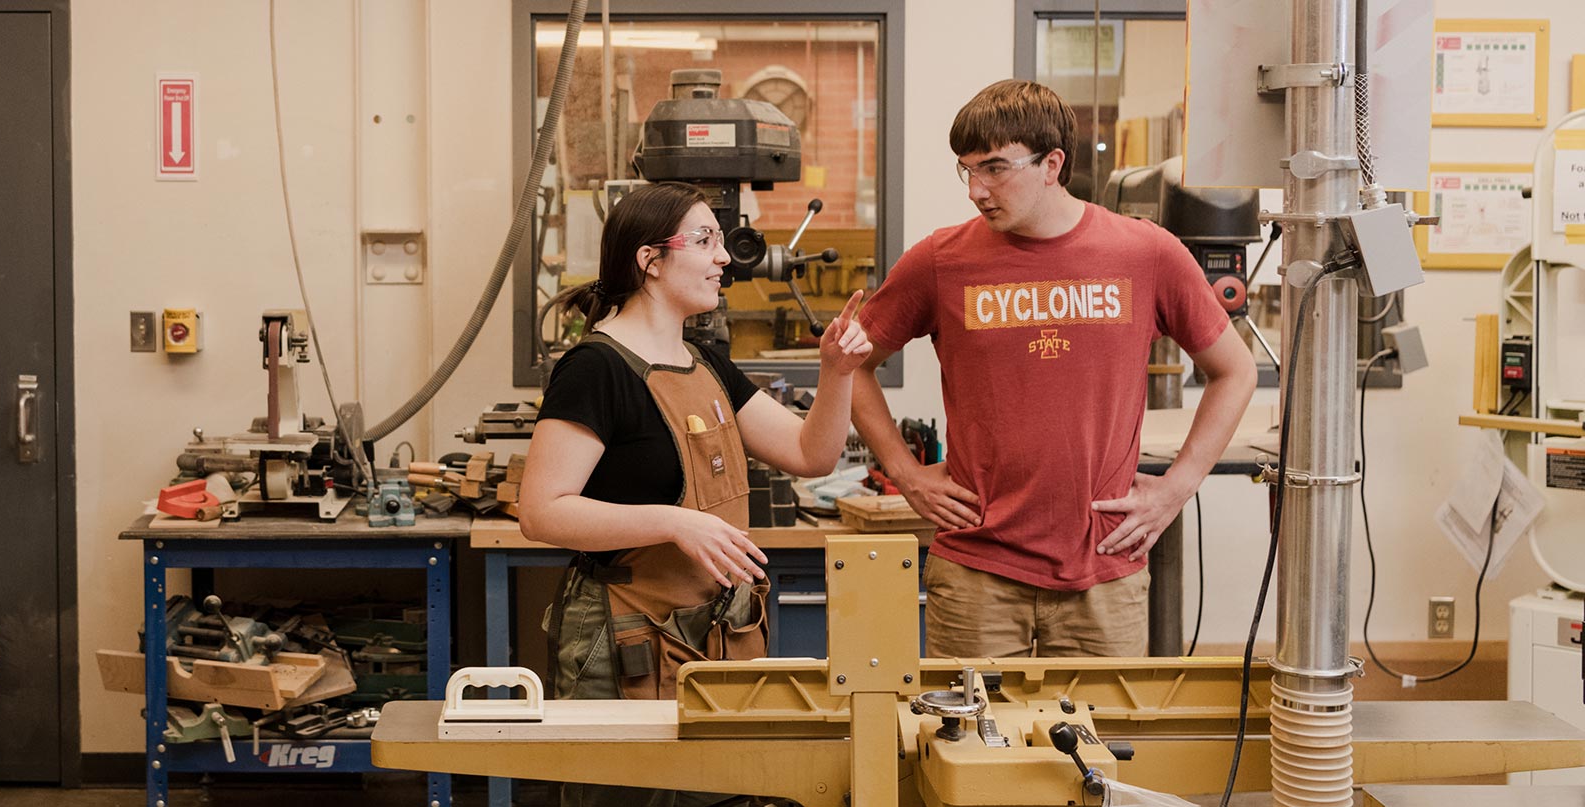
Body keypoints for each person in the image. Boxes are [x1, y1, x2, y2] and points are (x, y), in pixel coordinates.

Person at [847, 80, 1256, 659]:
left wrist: (1177, 488)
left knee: (1096, 745)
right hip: (977, 570)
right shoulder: (940, 261)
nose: (975, 190)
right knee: (967, 747)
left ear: (1052, 164)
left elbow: (1234, 371)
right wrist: (904, 472)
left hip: (1105, 569)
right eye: (965, 170)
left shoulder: (1145, 253)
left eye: (993, 169)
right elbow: (852, 366)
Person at [519, 181, 872, 807]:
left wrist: (836, 373)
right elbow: (542, 511)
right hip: (624, 636)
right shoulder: (596, 368)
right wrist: (676, 523)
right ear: (649, 260)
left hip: (717, 637)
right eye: (704, 240)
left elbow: (811, 455)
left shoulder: (705, 362)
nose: (723, 258)